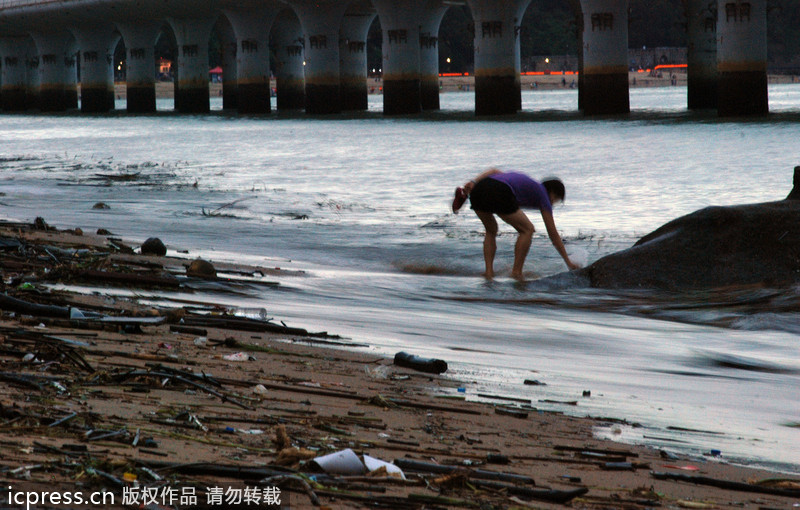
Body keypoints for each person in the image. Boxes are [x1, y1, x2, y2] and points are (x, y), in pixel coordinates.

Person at [453, 168, 581, 280]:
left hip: (478, 190)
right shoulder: (543, 195)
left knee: (491, 230)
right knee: (527, 229)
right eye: (556, 200)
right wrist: (568, 262)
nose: (553, 203)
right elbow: (553, 234)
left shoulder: (529, 187)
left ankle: (489, 273)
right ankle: (516, 273)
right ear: (553, 193)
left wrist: (473, 182)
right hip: (500, 190)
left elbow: (494, 171)